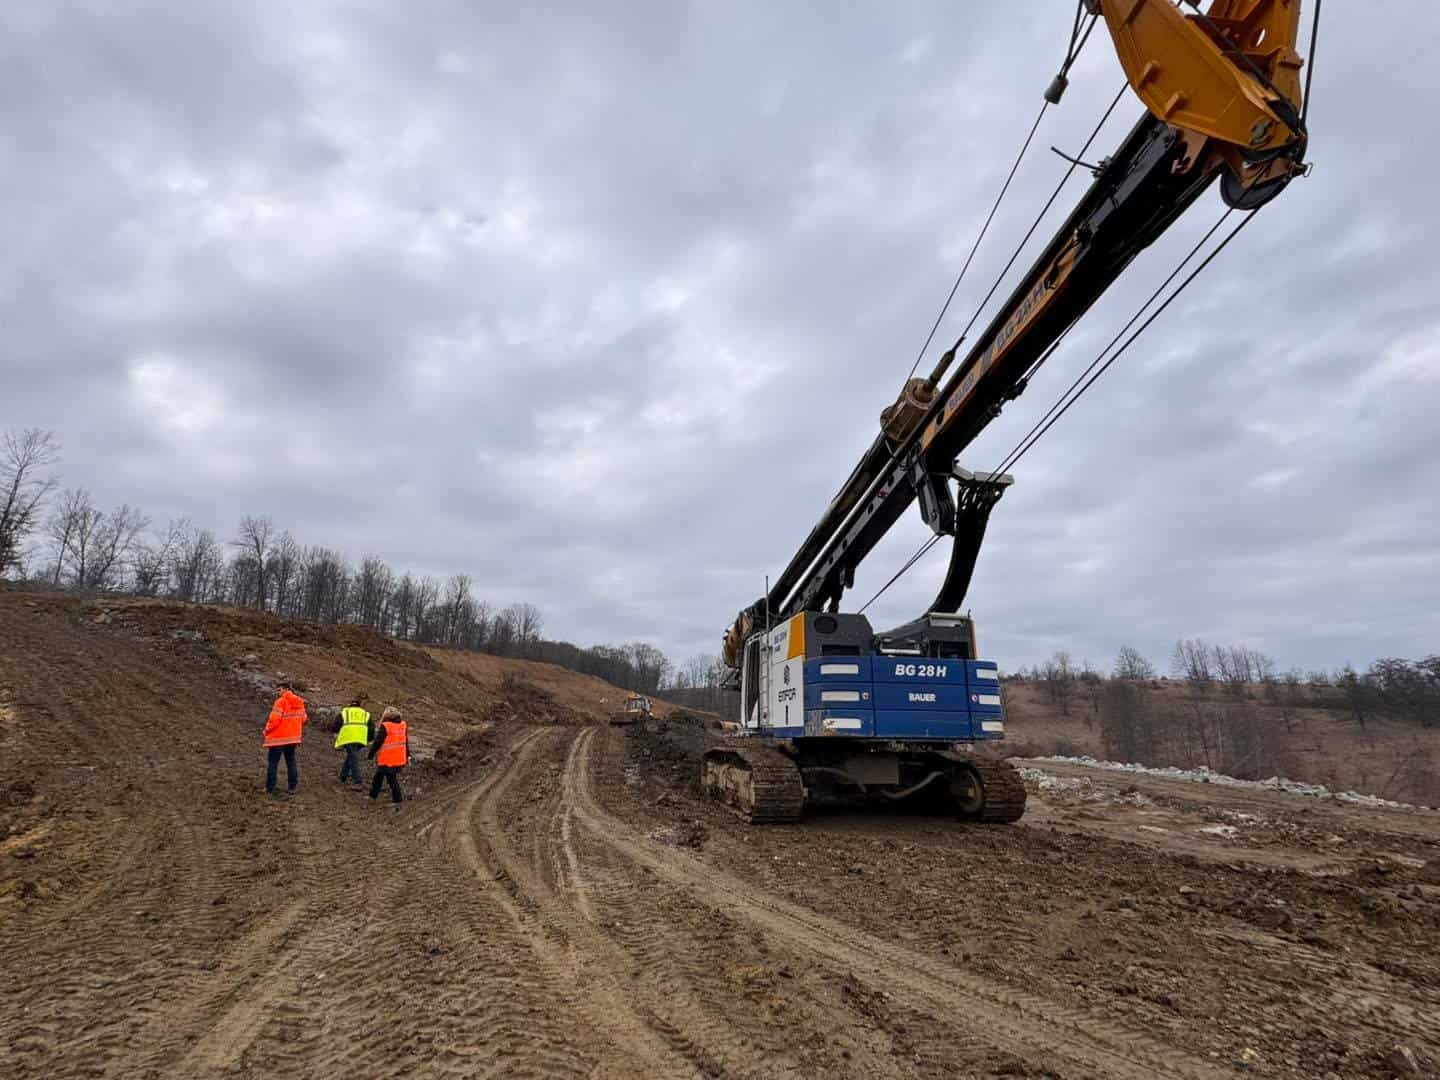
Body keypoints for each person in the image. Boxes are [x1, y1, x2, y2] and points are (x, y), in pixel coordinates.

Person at [263, 682, 308, 795]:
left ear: (285, 689)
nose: (278, 692)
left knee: (273, 763)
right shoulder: (300, 702)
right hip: (292, 738)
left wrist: (266, 730)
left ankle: (270, 788)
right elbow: (304, 719)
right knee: (291, 761)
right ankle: (292, 787)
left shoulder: (280, 702)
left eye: (279, 690)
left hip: (278, 738)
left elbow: (274, 720)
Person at [367, 705, 408, 805]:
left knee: (390, 779)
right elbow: (405, 741)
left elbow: (378, 742)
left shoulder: (386, 726)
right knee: (379, 776)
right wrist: (408, 755)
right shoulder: (403, 724)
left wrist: (371, 754)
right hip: (399, 757)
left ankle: (397, 799)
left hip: (388, 758)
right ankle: (373, 796)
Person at [333, 694, 373, 787]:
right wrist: (369, 739)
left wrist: (336, 732)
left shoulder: (345, 712)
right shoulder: (366, 714)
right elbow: (371, 728)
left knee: (353, 758)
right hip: (361, 739)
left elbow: (336, 725)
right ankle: (343, 776)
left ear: (350, 705)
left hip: (348, 737)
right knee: (351, 756)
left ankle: (358, 781)